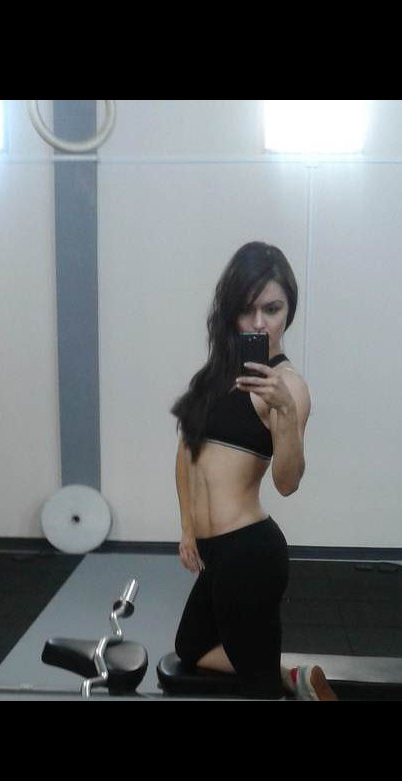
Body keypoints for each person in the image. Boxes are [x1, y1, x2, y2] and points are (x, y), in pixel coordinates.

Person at [169, 242, 338, 701]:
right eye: (247, 310)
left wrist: (285, 414)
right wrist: (187, 527)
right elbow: (185, 454)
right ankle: (292, 676)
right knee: (191, 648)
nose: (260, 323)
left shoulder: (289, 386)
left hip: (249, 553)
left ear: (289, 311)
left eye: (272, 309)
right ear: (231, 312)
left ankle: (278, 678)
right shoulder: (214, 376)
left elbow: (287, 482)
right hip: (215, 553)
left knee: (256, 686)